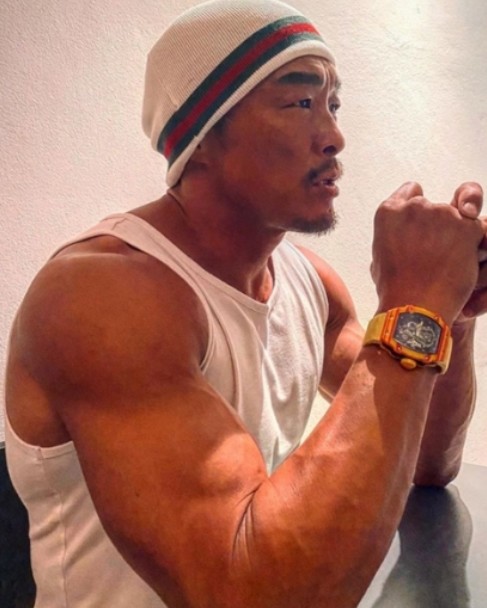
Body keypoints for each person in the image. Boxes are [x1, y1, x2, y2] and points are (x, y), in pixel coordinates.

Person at [4, 0, 487, 606]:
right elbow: (248, 595)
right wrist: (412, 306)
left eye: (334, 105)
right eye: (300, 103)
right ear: (201, 137)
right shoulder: (99, 296)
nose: (335, 137)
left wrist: (448, 314)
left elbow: (428, 460)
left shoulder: (308, 282)